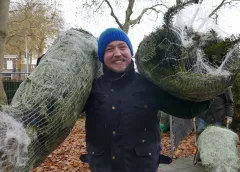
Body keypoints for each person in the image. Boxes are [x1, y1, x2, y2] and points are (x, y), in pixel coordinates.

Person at [82, 27, 211, 172]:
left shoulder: (148, 85)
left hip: (142, 166)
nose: (117, 53)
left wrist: (210, 91)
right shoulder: (91, 89)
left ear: (130, 52)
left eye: (122, 47)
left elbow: (187, 111)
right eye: (109, 49)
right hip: (102, 167)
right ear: (102, 56)